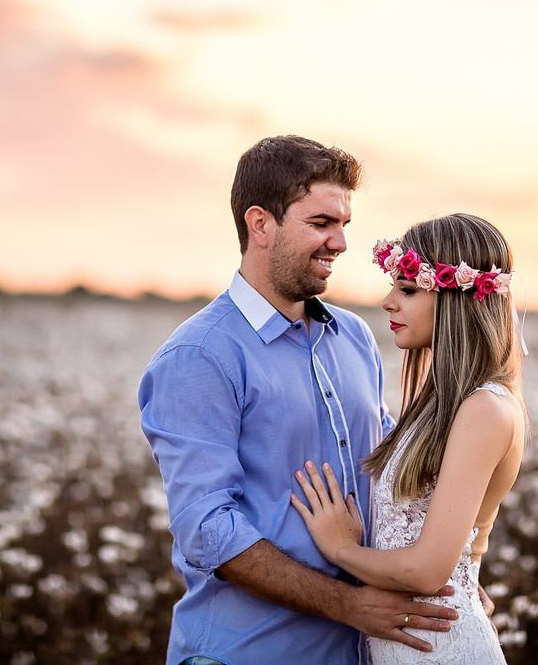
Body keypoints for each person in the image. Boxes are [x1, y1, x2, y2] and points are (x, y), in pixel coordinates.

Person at [138, 136, 464, 665]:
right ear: (260, 224)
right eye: (321, 224)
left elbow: (384, 478)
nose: (339, 242)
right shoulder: (200, 356)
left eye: (344, 226)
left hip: (359, 652)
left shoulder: (355, 337)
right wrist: (349, 605)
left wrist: (453, 582)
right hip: (244, 653)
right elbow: (207, 532)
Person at [291, 213, 527, 664]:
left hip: (441, 647)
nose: (387, 302)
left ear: (457, 300)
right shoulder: (442, 404)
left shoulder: (484, 409)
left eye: (408, 289)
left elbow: (425, 571)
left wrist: (340, 549)